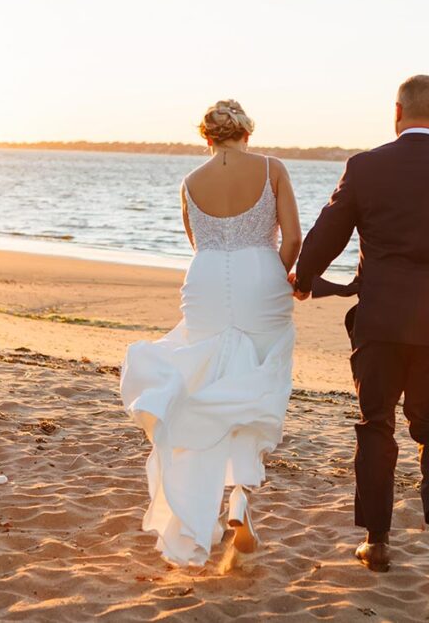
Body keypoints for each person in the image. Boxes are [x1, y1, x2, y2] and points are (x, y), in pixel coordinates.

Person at [290, 75, 429, 591]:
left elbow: (328, 231)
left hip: (381, 323)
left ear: (396, 112)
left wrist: (305, 280)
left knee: (376, 424)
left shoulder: (364, 167)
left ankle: (377, 540)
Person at [119, 100, 302, 566]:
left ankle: (212, 506)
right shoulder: (271, 168)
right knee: (257, 383)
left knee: (207, 382)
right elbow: (295, 239)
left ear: (207, 138)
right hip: (261, 277)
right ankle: (240, 498)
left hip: (203, 282)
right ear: (247, 133)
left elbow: (196, 240)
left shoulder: (189, 182)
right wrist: (270, 276)